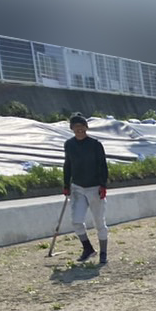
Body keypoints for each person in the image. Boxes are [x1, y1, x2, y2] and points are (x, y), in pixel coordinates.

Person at [62, 113, 109, 265]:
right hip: (77, 188)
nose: (79, 131)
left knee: (99, 222)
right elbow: (67, 165)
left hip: (94, 187)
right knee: (76, 221)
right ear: (72, 129)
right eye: (76, 128)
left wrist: (103, 185)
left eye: (82, 128)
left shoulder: (95, 144)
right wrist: (65, 185)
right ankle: (88, 248)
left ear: (86, 128)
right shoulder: (69, 144)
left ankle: (103, 252)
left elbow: (103, 165)